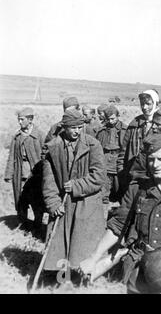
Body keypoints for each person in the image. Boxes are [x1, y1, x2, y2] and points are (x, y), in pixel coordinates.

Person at [79, 133, 161, 294]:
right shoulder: (137, 190)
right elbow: (117, 227)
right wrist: (94, 257)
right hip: (139, 270)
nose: (155, 165)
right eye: (151, 159)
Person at [41, 108, 107, 277]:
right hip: (63, 204)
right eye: (73, 128)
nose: (77, 131)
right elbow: (49, 181)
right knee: (60, 246)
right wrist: (53, 203)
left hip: (88, 202)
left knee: (83, 244)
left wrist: (77, 186)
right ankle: (59, 277)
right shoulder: (53, 148)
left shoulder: (93, 145)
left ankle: (85, 277)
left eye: (80, 127)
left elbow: (98, 176)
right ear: (65, 127)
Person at [4, 107, 45, 230]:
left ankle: (37, 226)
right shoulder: (16, 136)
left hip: (35, 175)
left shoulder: (39, 135)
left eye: (22, 119)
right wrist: (8, 173)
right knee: (21, 200)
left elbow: (45, 155)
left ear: (30, 119)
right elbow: (12, 155)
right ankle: (23, 225)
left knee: (37, 201)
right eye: (19, 119)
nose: (20, 122)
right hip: (20, 174)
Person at [117, 90, 160, 192]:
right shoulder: (135, 124)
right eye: (142, 104)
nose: (144, 107)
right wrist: (121, 170)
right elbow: (124, 151)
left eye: (148, 104)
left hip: (155, 177)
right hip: (134, 176)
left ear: (156, 104)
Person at [96, 105, 128, 203]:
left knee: (120, 186)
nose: (110, 121)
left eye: (113, 118)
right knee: (104, 185)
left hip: (119, 158)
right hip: (106, 158)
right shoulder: (102, 130)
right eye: (108, 119)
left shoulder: (125, 129)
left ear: (118, 116)